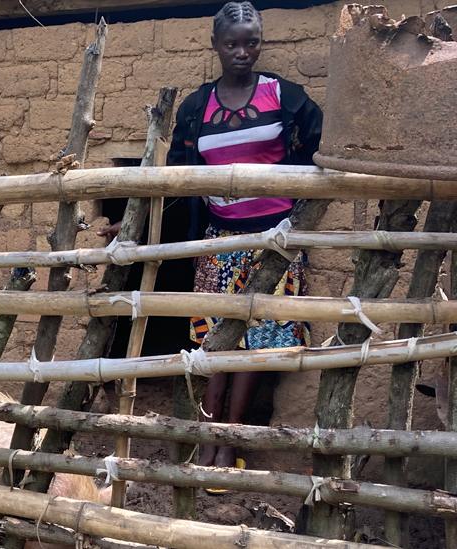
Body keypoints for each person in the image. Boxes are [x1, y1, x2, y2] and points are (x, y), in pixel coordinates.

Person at [166, 1, 323, 471]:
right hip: (220, 242)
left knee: (256, 344)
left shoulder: (285, 97)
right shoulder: (198, 107)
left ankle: (229, 441)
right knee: (216, 341)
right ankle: (208, 435)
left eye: (250, 42)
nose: (241, 51)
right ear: (214, 44)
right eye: (231, 43)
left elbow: (318, 150)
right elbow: (177, 174)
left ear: (260, 43)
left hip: (274, 241)